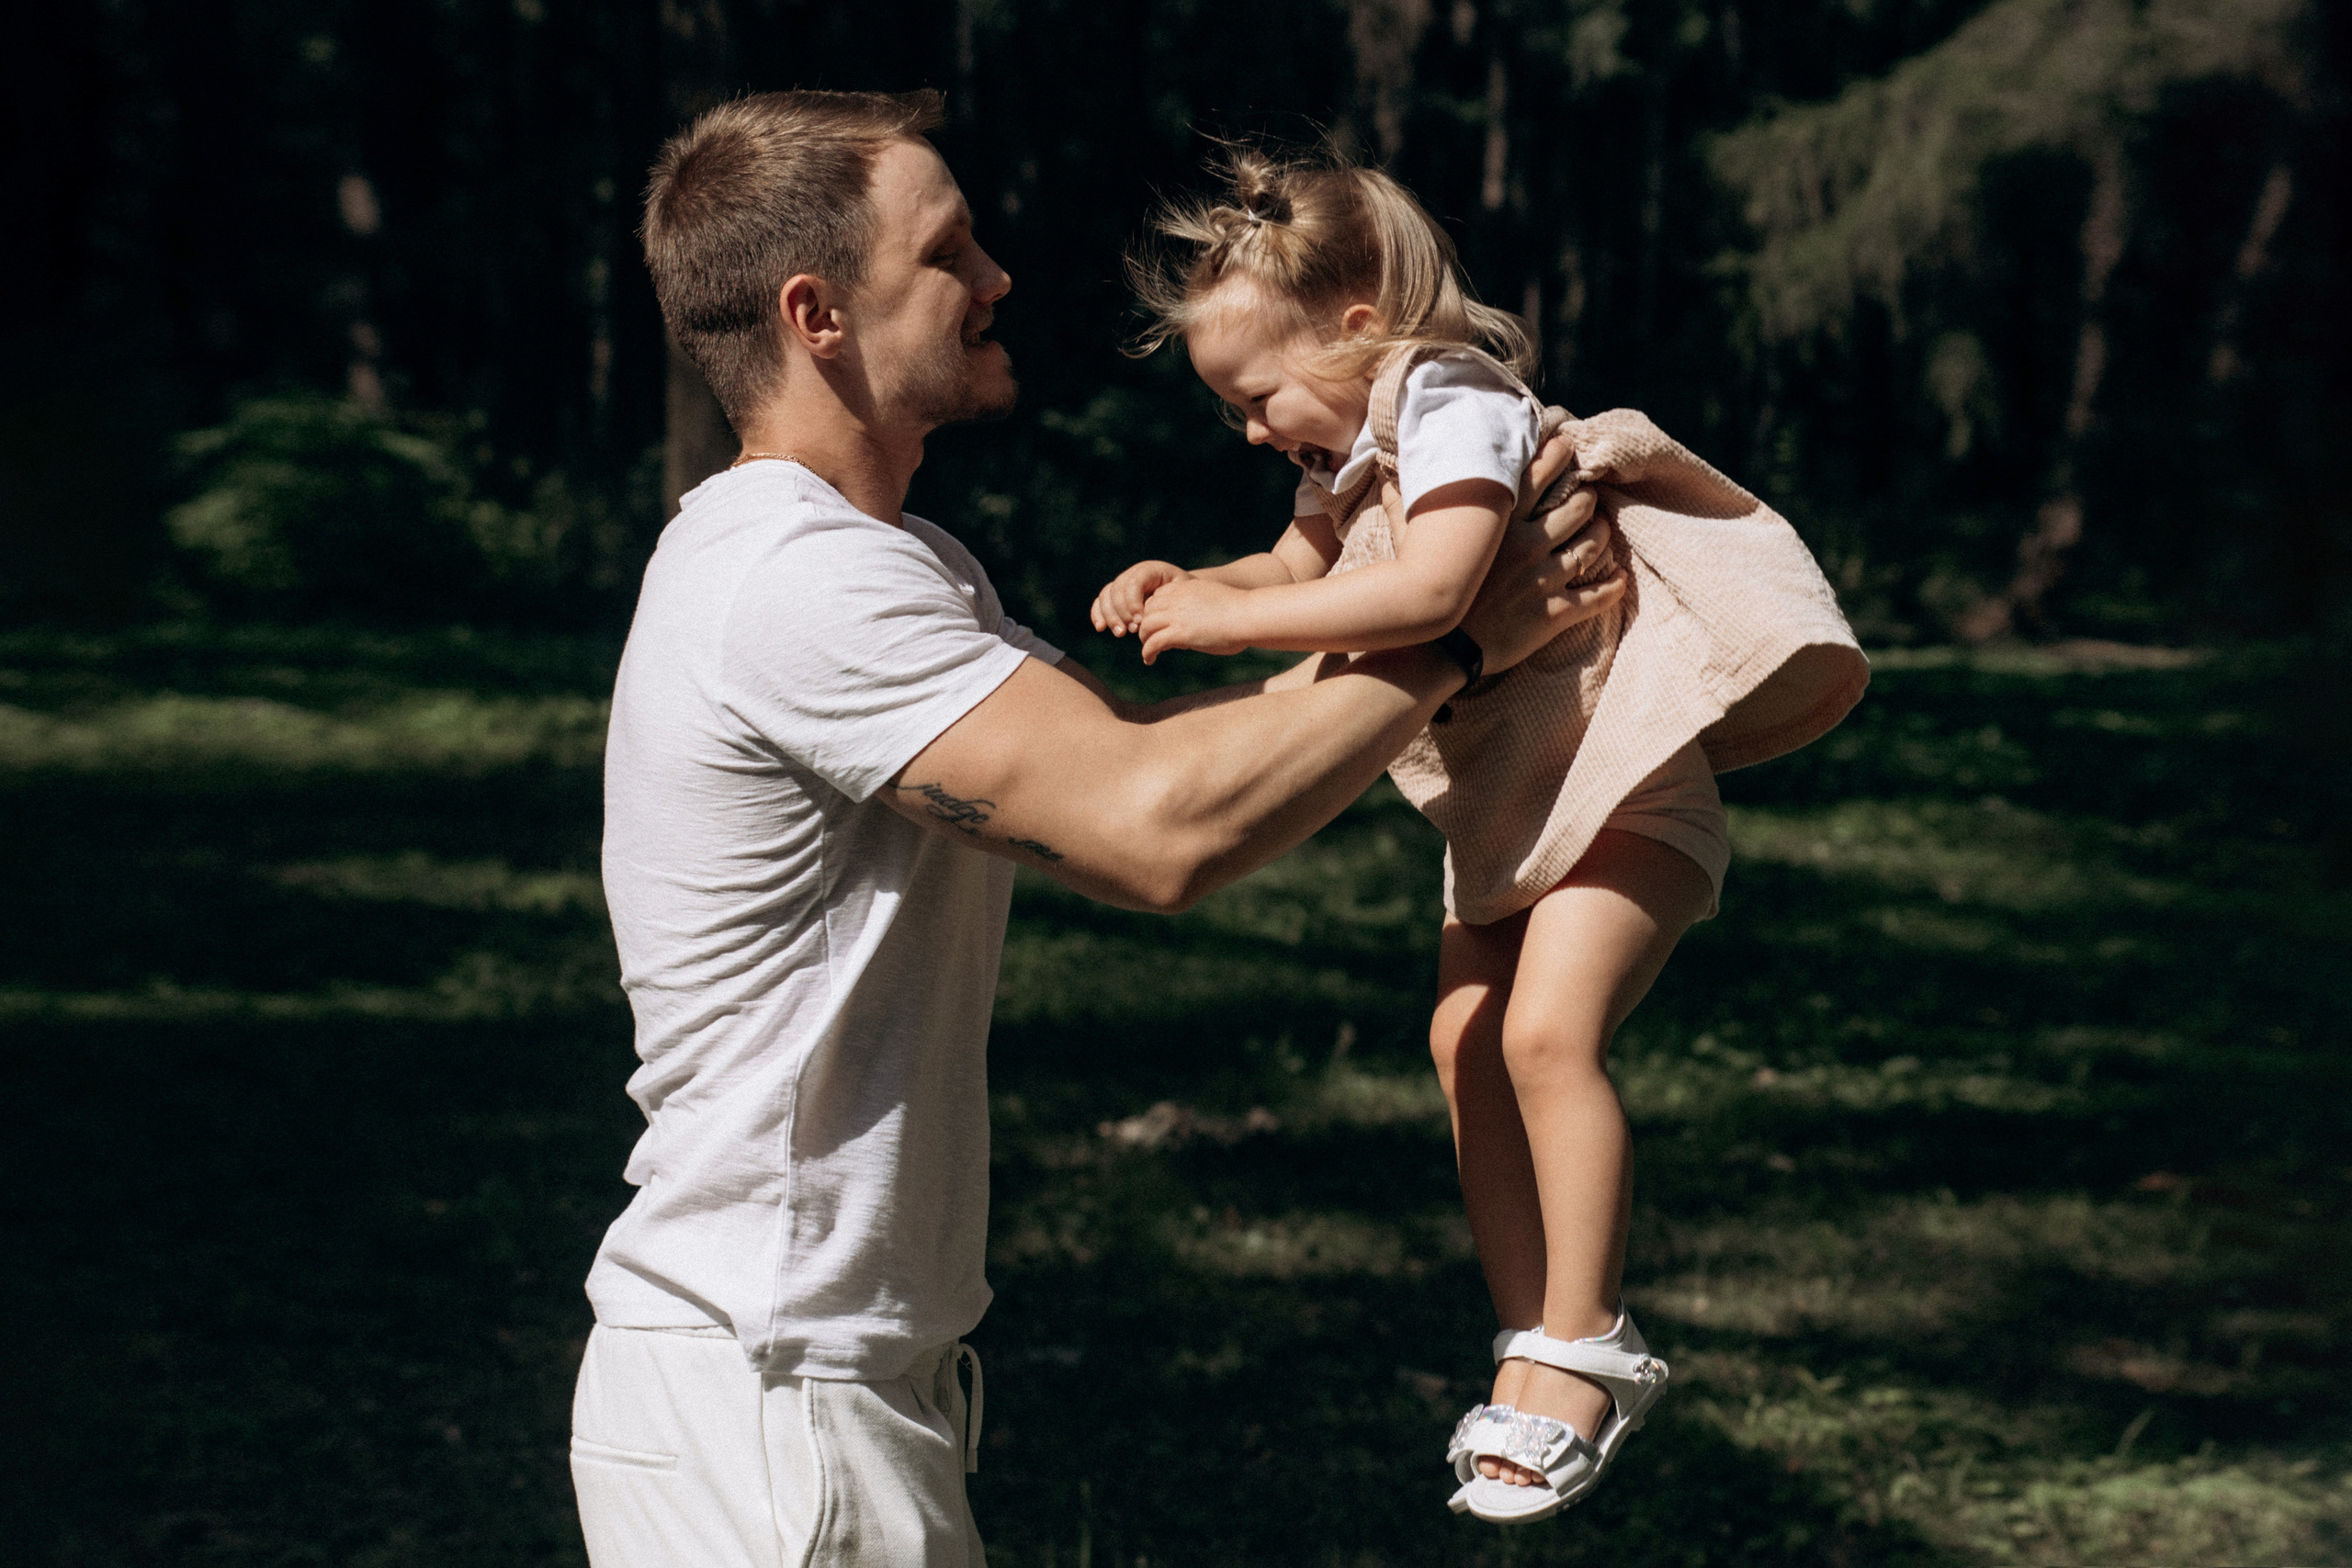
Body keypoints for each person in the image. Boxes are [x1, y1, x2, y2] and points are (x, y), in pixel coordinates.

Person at [571, 90, 1625, 1568]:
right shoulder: (794, 584)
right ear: (818, 314)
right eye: (949, 250)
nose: (999, 275)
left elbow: (1165, 756)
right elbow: (1157, 830)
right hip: (771, 1388)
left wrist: (1427, 595)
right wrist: (1459, 642)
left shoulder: (895, 563)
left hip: (836, 1372)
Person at [1095, 147, 1867, 1525]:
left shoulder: (1448, 400)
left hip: (1627, 783)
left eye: (1259, 396)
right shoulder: (1357, 451)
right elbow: (1299, 569)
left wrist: (1230, 625)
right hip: (1516, 806)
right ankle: (1529, 1340)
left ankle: (1590, 1336)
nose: (1259, 432)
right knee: (1462, 1043)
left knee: (1542, 1038)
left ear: (1355, 327)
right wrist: (1193, 579)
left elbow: (1440, 585)